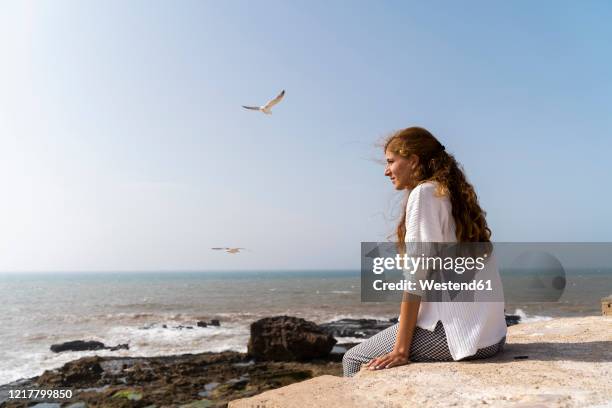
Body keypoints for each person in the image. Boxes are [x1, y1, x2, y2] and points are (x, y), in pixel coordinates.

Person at [343, 127, 507, 377]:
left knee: (353, 359)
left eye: (391, 162)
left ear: (413, 160)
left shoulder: (424, 194)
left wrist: (400, 350)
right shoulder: (451, 193)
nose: (387, 171)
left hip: (464, 339)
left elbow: (415, 277)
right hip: (492, 335)